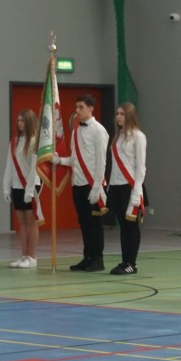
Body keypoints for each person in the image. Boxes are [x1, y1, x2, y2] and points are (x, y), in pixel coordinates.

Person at [59, 94, 109, 272]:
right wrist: (60, 161)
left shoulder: (99, 130)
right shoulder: (76, 131)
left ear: (90, 108)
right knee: (84, 223)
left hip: (92, 184)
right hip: (78, 183)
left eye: (81, 107)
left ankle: (98, 258)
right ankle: (87, 256)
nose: (77, 110)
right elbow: (75, 159)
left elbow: (101, 161)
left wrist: (97, 187)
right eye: (76, 107)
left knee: (94, 223)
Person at [106, 102, 147, 275]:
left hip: (130, 186)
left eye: (122, 114)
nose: (118, 117)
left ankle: (132, 263)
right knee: (123, 226)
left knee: (131, 226)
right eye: (117, 113)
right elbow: (115, 166)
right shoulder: (117, 137)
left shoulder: (138, 136)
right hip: (116, 186)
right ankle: (125, 261)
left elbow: (141, 167)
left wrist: (137, 191)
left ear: (129, 116)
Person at [2, 109, 43, 269]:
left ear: (29, 122)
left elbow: (34, 168)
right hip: (17, 185)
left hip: (31, 184)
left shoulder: (35, 142)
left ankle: (32, 257)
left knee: (31, 221)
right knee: (22, 222)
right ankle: (24, 255)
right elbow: (9, 165)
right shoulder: (14, 142)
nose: (19, 123)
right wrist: (6, 187)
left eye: (23, 120)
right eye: (18, 120)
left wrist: (30, 189)